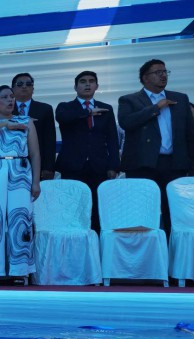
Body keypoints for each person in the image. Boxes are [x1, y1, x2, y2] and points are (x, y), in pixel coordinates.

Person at [118, 59, 194, 232]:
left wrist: (192, 165)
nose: (163, 75)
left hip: (174, 164)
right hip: (143, 165)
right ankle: (149, 247)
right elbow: (126, 122)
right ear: (145, 78)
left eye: (165, 72)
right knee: (144, 212)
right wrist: (155, 108)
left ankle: (172, 246)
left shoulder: (180, 98)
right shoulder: (129, 100)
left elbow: (190, 135)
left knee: (174, 212)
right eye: (158, 72)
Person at [0, 86, 41, 283]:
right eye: (4, 97)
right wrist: (5, 123)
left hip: (20, 171)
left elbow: (35, 153)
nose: (10, 100)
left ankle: (20, 270)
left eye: (12, 97)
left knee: (20, 218)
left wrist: (36, 182)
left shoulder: (26, 121)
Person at [55, 70, 120, 232]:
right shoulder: (65, 107)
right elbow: (64, 118)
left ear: (97, 86)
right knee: (73, 207)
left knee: (97, 209)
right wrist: (88, 112)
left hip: (99, 166)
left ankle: (95, 241)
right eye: (83, 81)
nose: (87, 84)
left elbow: (112, 139)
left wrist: (113, 165)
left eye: (91, 81)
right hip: (72, 166)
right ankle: (74, 241)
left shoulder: (106, 108)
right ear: (75, 87)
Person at [12, 73, 56, 180]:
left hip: (37, 162)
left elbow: (49, 140)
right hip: (11, 162)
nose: (24, 86)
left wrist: (48, 167)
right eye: (20, 84)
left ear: (33, 89)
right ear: (12, 89)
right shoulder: (5, 109)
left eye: (28, 84)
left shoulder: (45, 109)